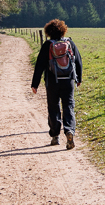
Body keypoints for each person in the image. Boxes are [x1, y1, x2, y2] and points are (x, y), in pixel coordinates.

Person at [31, 19, 82, 149]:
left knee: (53, 107)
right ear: (63, 30)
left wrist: (35, 84)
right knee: (68, 106)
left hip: (52, 81)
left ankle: (55, 136)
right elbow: (78, 61)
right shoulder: (69, 42)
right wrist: (79, 78)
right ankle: (69, 130)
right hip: (68, 80)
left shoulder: (47, 45)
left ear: (48, 32)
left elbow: (40, 65)